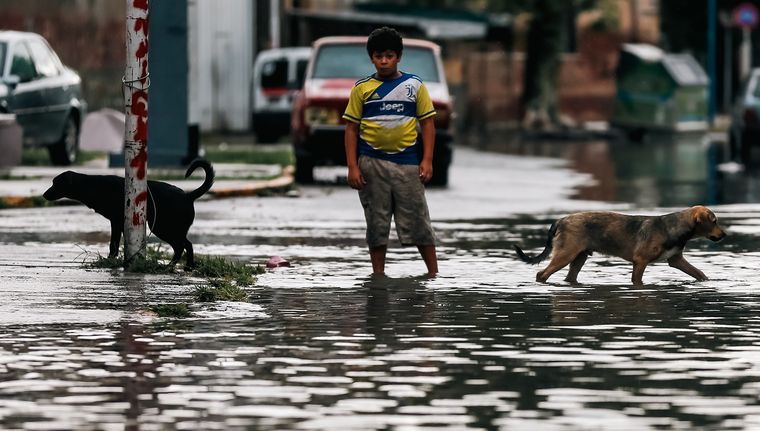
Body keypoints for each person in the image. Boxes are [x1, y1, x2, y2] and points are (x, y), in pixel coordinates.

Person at [343, 26, 438, 277]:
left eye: (389, 55)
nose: (384, 61)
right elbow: (351, 128)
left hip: (408, 163)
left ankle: (433, 274)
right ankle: (378, 274)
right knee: (377, 221)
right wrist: (352, 166)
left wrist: (427, 160)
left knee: (419, 219)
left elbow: (427, 124)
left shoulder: (414, 86)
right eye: (378, 56)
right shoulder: (362, 89)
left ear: (398, 56)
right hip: (371, 163)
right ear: (371, 58)